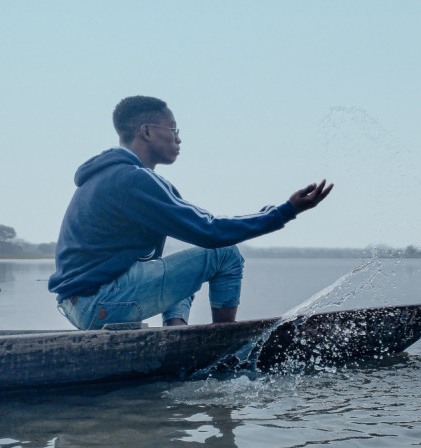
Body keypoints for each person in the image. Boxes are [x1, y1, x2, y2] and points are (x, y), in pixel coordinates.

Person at [48, 95, 333, 330]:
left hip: (81, 305)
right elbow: (211, 232)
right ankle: (224, 342)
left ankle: (177, 326)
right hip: (100, 302)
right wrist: (284, 212)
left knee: (189, 260)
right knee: (226, 254)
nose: (179, 139)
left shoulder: (112, 177)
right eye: (173, 130)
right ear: (146, 132)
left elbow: (200, 230)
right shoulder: (132, 180)